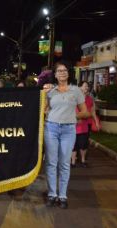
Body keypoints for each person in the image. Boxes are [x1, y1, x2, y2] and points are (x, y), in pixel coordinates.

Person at [43, 61, 89, 209]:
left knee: (64, 163)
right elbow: (43, 110)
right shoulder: (50, 91)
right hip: (51, 128)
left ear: (68, 74)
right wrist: (44, 94)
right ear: (55, 75)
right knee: (51, 162)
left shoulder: (76, 91)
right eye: (59, 71)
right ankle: (52, 194)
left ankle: (62, 195)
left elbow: (85, 111)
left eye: (64, 70)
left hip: (69, 130)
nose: (62, 73)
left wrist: (74, 117)